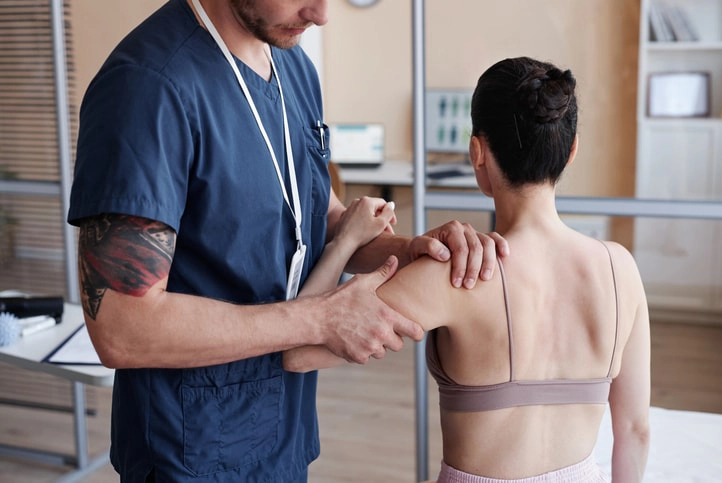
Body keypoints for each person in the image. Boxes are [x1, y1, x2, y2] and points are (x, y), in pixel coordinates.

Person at [66, 1, 508, 481]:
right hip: (191, 446)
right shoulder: (147, 89)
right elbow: (122, 328)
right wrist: (320, 319)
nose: (320, 14)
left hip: (284, 432)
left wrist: (411, 251)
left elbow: (318, 217)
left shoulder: (292, 67)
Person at [286, 56, 651, 482]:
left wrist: (344, 239)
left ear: (477, 154)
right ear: (570, 152)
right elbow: (635, 431)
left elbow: (299, 353)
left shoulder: (456, 275)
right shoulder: (620, 269)